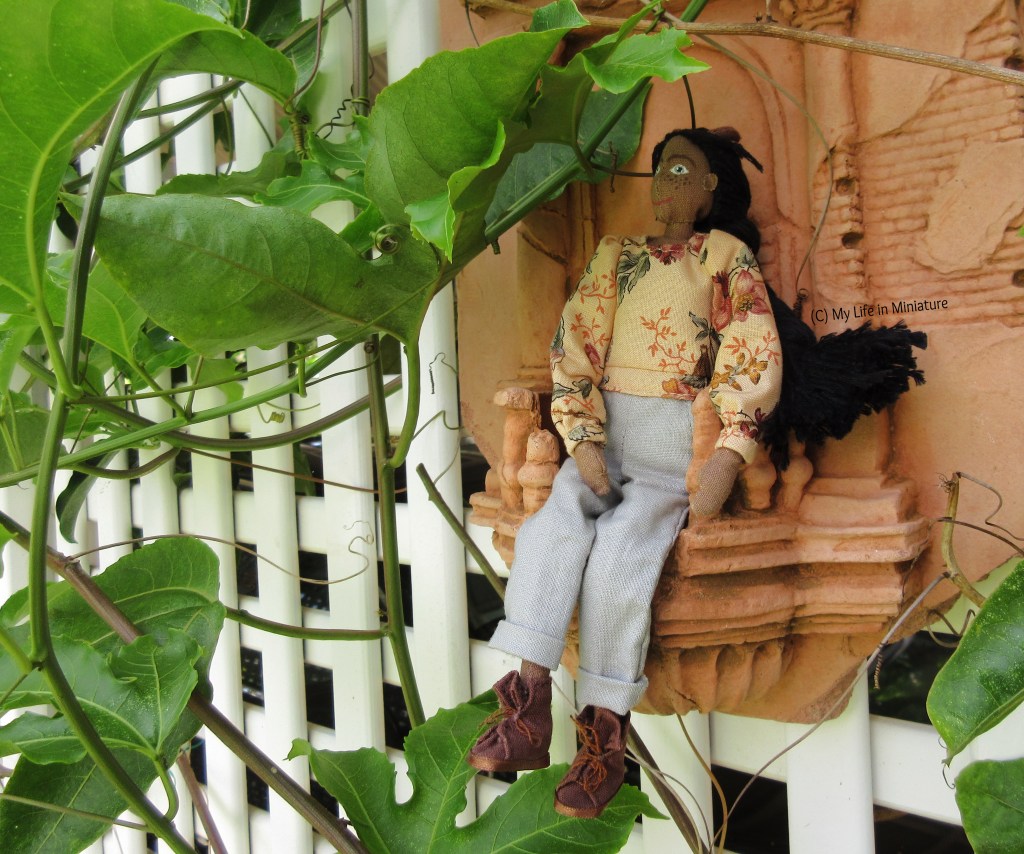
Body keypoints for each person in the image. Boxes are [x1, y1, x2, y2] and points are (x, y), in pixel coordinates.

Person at [468, 127, 783, 818]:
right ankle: (527, 708)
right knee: (551, 532)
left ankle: (603, 739)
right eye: (660, 169)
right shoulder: (618, 255)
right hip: (607, 438)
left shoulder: (723, 257)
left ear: (711, 187)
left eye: (682, 170)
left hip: (673, 448)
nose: (666, 182)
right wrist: (580, 435)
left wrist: (729, 450)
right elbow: (576, 341)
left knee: (621, 559)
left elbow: (751, 345)